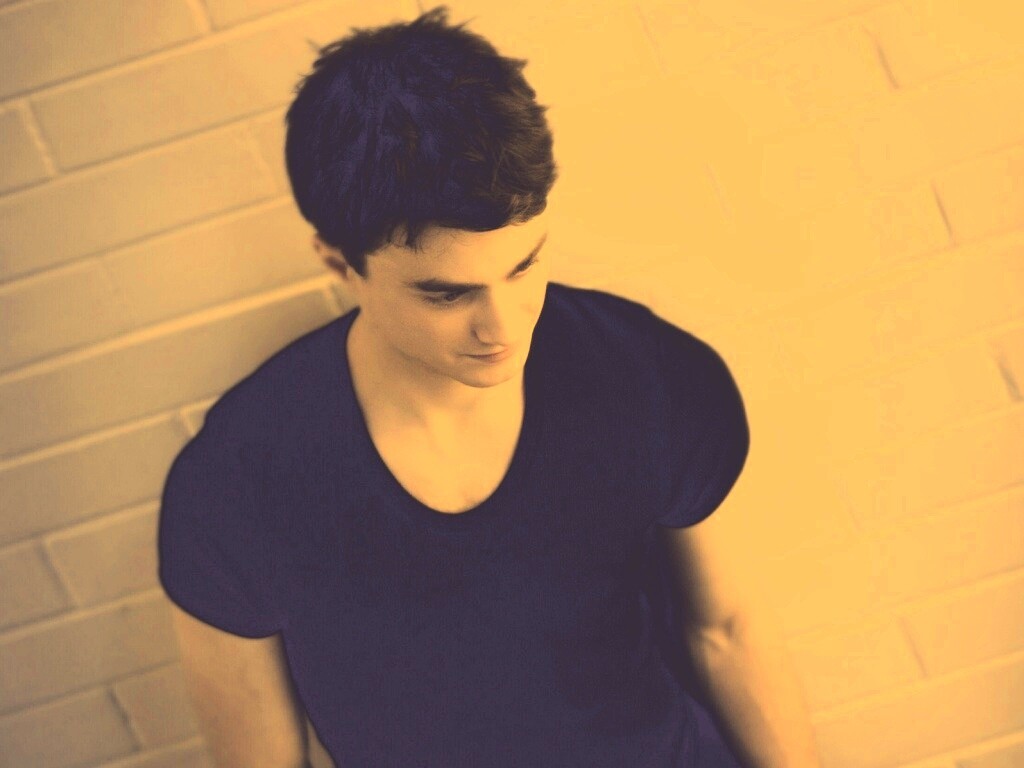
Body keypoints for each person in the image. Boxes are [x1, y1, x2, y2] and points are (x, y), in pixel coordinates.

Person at [157, 6, 822, 767]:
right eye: (447, 294)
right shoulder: (237, 484)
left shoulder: (645, 373)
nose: (504, 327)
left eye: (524, 265)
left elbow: (729, 631)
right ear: (339, 265)